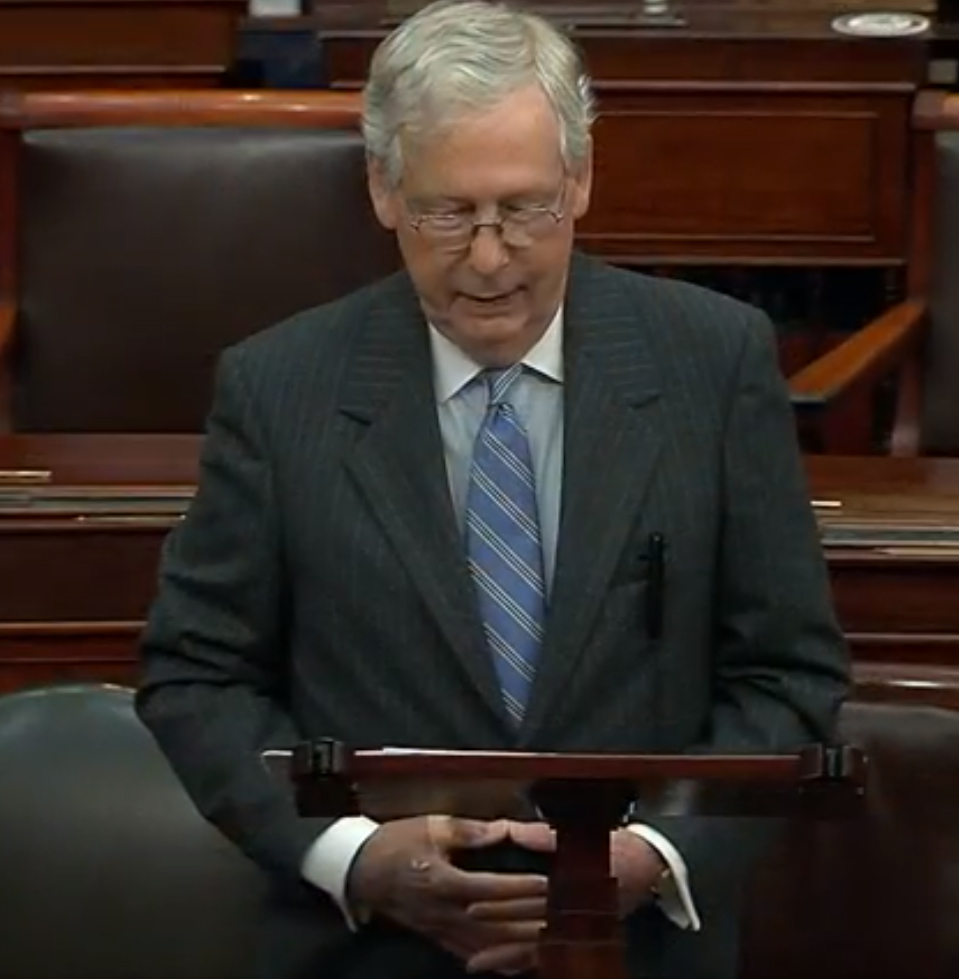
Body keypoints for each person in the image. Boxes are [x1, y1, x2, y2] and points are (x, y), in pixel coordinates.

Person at [136, 2, 850, 978]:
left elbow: (787, 673)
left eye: (522, 208)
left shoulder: (711, 363)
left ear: (581, 180)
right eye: (447, 211)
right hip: (374, 953)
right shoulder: (279, 388)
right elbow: (198, 676)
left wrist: (651, 854)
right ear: (384, 190)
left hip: (637, 949)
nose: (485, 257)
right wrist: (356, 855)